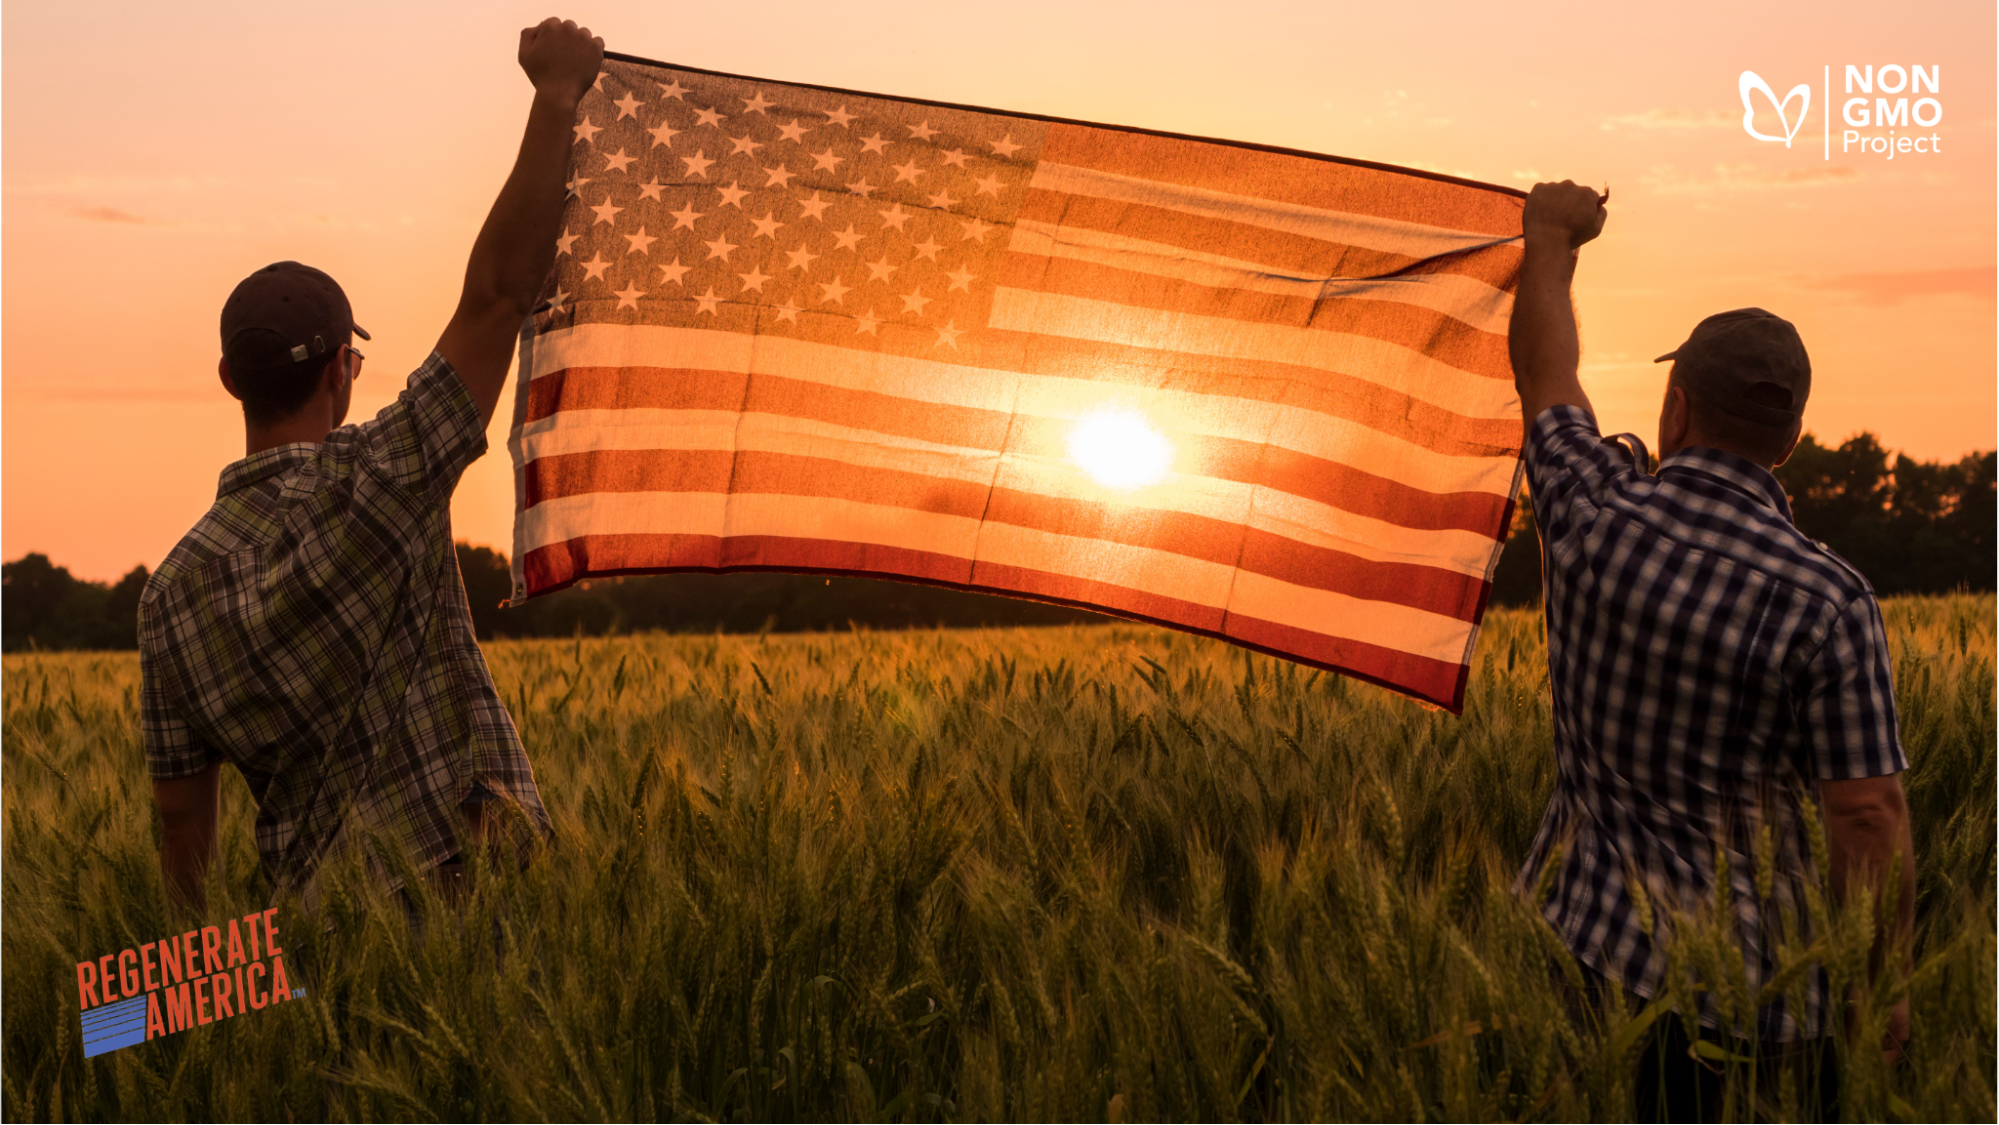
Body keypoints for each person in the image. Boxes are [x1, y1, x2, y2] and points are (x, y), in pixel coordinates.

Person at [140, 18, 605, 918]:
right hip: (481, 916)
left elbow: (178, 830)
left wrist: (144, 1030)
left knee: (89, 1028)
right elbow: (499, 295)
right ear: (340, 373)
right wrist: (555, 96)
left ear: (232, 379)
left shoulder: (167, 599)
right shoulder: (385, 477)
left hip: (320, 959)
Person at [1508, 181, 1914, 1121]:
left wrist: (1552, 240)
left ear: (1676, 410)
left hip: (1581, 953)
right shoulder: (1829, 598)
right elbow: (1866, 815)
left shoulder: (1590, 506)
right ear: (1791, 439)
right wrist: (1878, 984)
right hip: (1758, 1009)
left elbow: (1546, 374)